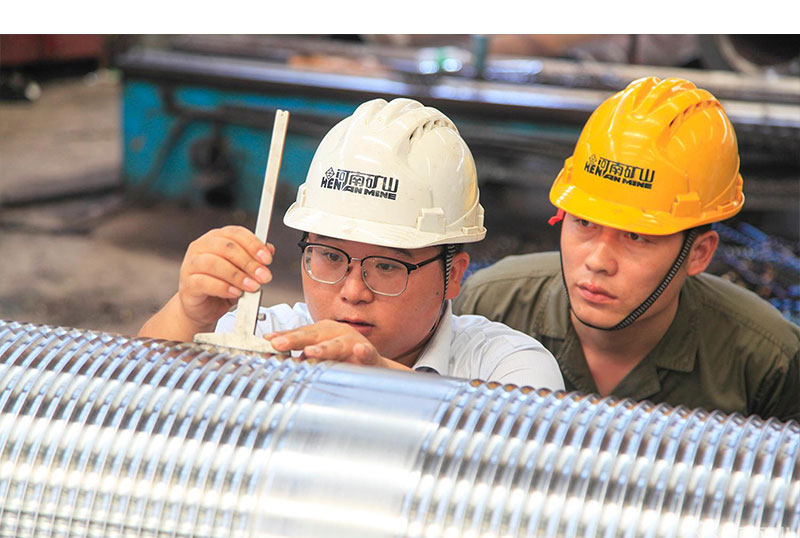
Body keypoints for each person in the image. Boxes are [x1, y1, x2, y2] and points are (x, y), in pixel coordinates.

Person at [139, 98, 564, 389]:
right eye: (329, 256)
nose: (353, 291)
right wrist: (186, 314)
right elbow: (136, 406)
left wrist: (378, 377)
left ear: (453, 274)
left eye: (387, 266)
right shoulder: (263, 338)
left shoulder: (508, 367)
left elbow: (514, 465)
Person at [454, 76, 800, 421]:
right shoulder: (492, 306)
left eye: (636, 236)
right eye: (584, 222)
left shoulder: (767, 362)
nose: (598, 261)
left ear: (699, 253)